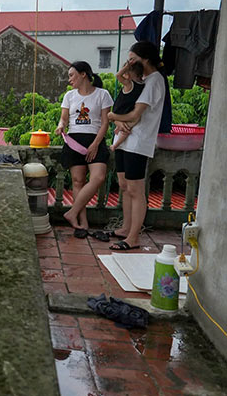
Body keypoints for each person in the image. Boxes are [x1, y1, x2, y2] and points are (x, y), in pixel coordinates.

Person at [107, 41, 168, 251]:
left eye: (133, 58)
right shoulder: (141, 81)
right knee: (124, 186)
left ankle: (133, 237)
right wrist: (116, 120)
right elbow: (126, 107)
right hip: (126, 140)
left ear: (145, 59)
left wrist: (112, 116)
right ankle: (125, 228)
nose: (130, 62)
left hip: (139, 141)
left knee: (135, 189)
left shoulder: (154, 81)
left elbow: (135, 114)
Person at [55, 61, 113, 239]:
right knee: (78, 181)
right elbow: (64, 118)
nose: (69, 79)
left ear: (83, 74)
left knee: (98, 177)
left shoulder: (103, 94)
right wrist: (60, 126)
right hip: (74, 140)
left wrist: (95, 144)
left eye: (72, 75)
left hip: (95, 140)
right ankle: (83, 223)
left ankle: (72, 212)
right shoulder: (69, 96)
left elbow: (105, 123)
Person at [110, 60, 146, 151]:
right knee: (126, 128)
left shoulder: (134, 84)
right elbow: (118, 75)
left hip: (124, 110)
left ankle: (116, 139)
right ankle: (116, 143)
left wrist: (126, 68)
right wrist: (126, 68)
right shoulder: (132, 84)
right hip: (122, 111)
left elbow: (118, 75)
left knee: (126, 128)